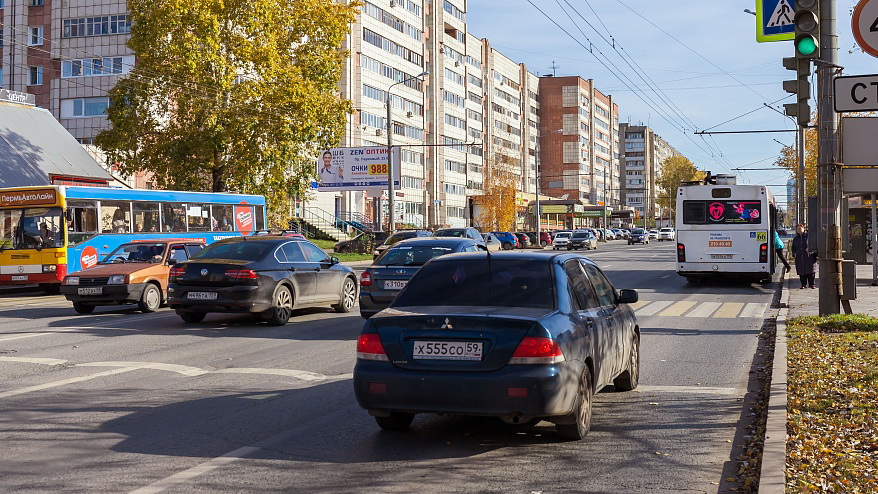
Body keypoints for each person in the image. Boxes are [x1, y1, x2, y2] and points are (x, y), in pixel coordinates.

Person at [791, 223, 816, 289]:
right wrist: (794, 254)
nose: (799, 230)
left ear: (803, 228)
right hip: (799, 257)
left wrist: (814, 253)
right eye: (797, 229)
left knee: (810, 271)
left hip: (809, 256)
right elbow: (793, 247)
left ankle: (812, 284)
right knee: (801, 271)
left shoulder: (808, 237)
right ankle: (803, 284)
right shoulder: (796, 238)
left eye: (800, 228)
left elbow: (813, 245)